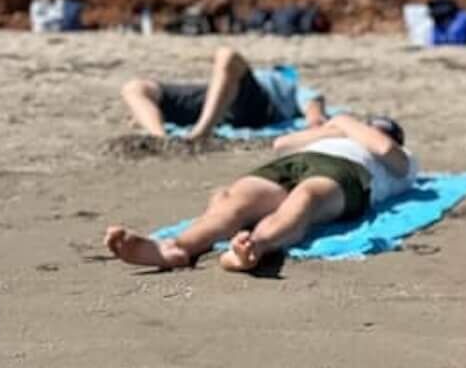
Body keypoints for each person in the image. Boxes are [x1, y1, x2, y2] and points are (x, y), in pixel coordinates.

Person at [103, 114, 414, 273]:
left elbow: (386, 149)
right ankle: (176, 247)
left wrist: (346, 122)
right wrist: (336, 130)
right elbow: (283, 144)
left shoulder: (401, 156)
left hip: (348, 171)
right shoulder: (337, 134)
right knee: (235, 199)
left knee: (304, 198)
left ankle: (255, 247)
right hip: (295, 161)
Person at [120, 46, 328, 141]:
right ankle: (160, 138)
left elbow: (312, 99)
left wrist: (314, 118)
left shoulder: (286, 82)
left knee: (226, 55)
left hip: (259, 106)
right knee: (135, 87)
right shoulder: (247, 75)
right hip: (216, 98)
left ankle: (202, 132)